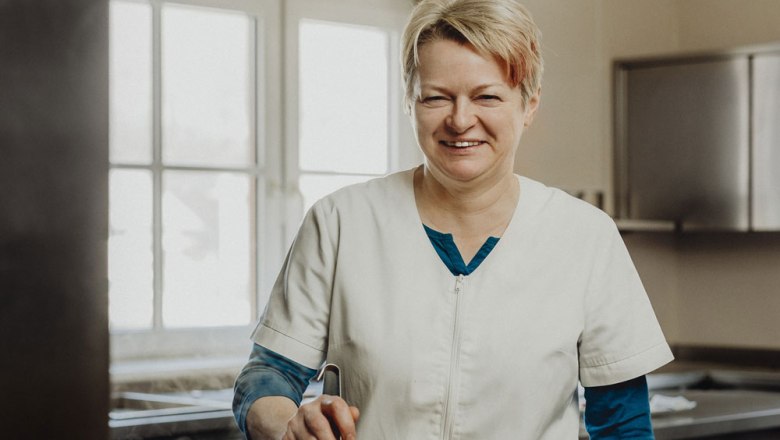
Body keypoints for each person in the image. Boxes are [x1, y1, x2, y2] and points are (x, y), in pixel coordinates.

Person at [233, 0, 674, 438]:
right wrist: (289, 427)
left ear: (529, 105)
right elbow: (266, 378)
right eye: (436, 97)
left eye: (487, 96)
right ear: (409, 102)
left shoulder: (586, 237)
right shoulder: (339, 223)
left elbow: (623, 424)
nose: (460, 120)